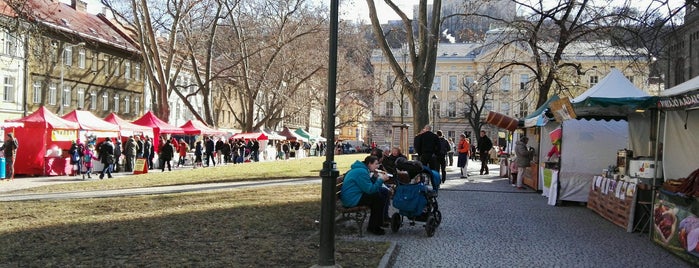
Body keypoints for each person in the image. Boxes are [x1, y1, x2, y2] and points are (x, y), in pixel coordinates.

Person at [340, 155, 390, 235]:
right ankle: (373, 227)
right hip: (352, 199)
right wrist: (380, 180)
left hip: (354, 196)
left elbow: (366, 185)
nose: (377, 166)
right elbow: (370, 190)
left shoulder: (362, 170)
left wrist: (374, 177)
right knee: (377, 197)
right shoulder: (361, 172)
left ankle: (380, 221)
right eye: (376, 164)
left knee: (382, 192)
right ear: (369, 164)